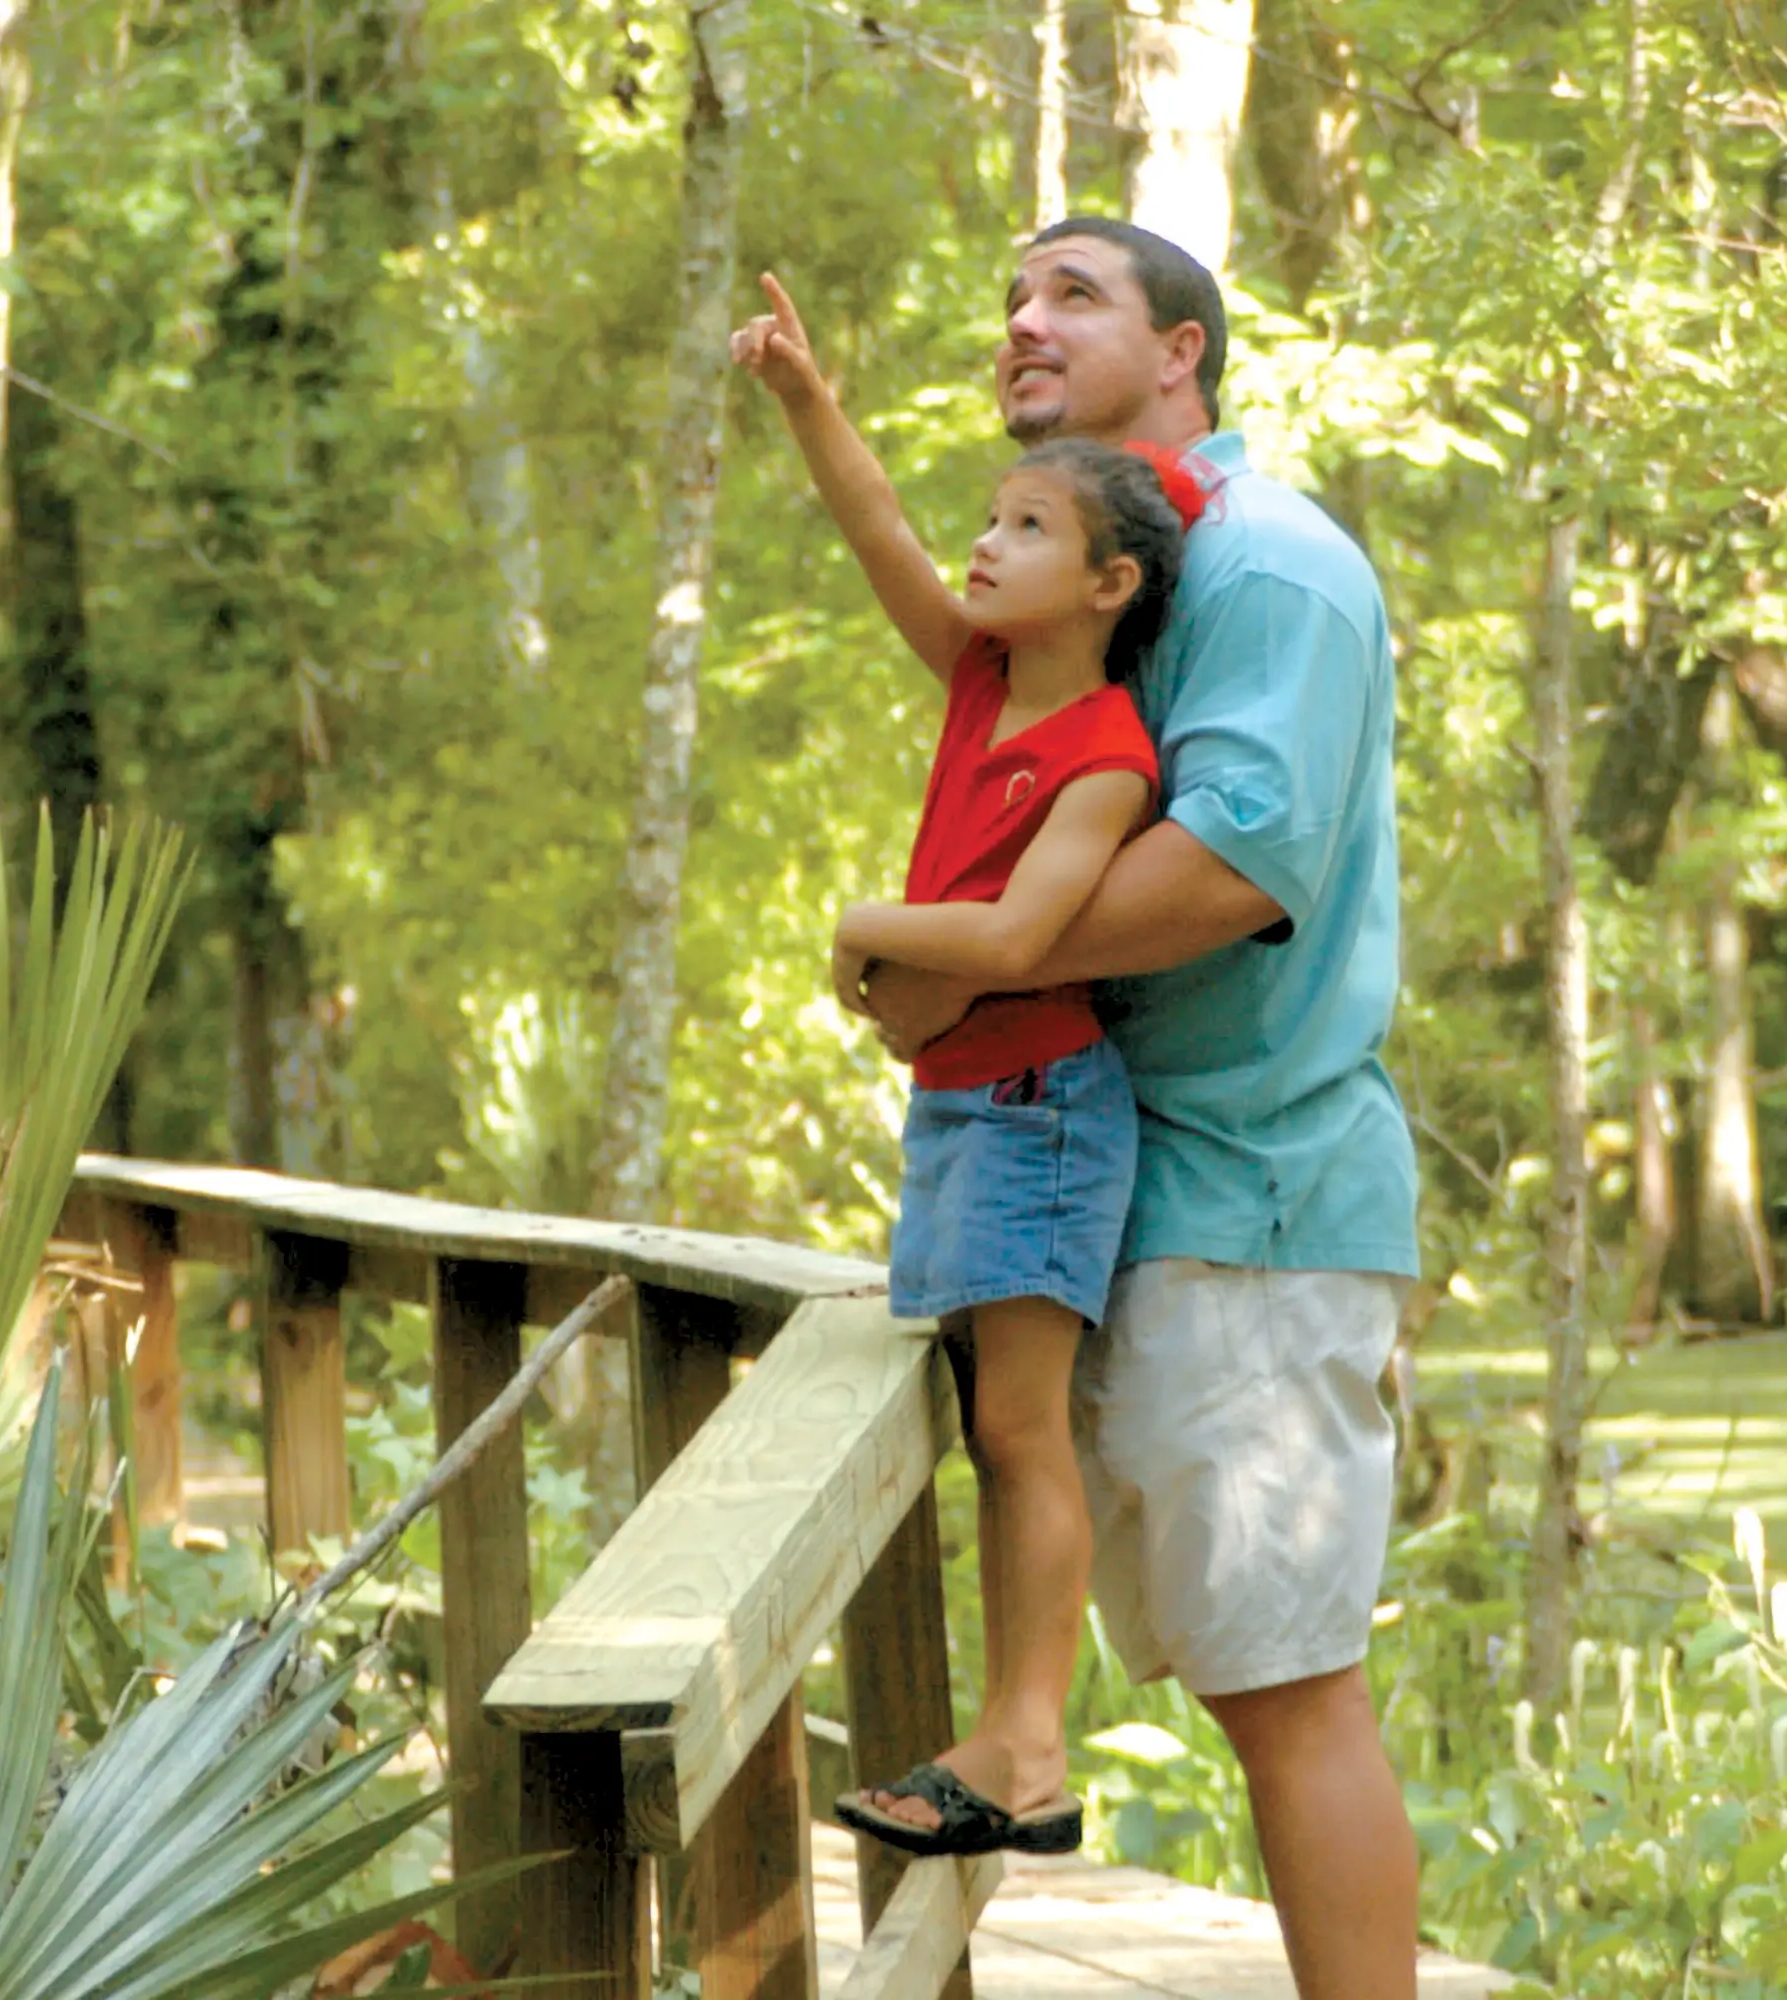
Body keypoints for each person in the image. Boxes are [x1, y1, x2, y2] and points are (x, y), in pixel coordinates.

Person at [832, 219, 1425, 1999]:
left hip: (1253, 1200)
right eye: (1011, 292)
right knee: (1230, 1675)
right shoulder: (1106, 582)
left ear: (1184, 352)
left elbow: (1236, 870)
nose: (1023, 318)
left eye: (1073, 293)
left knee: (1291, 1697)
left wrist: (954, 970)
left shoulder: (1269, 572)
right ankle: (1020, 1746)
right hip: (1117, 1187)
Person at [732, 272, 1218, 1858]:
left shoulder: (1107, 757)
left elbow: (1016, 946)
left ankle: (1025, 1752)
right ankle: (1017, 1746)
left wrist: (863, 925)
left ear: (1106, 586)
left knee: (1020, 1430)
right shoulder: (975, 686)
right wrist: (807, 396)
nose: (985, 547)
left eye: (1025, 531)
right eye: (992, 523)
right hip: (962, 1107)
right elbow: (876, 526)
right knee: (988, 1423)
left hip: (1037, 1110)